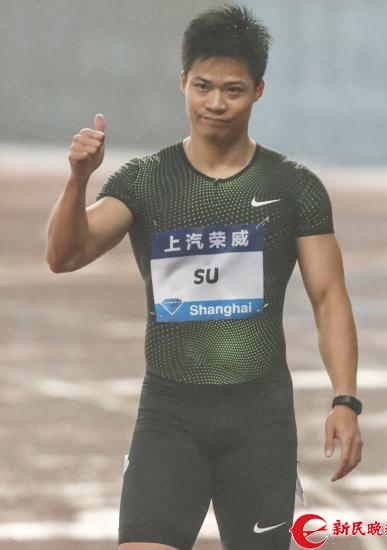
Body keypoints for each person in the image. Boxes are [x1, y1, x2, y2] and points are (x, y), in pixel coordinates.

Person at [46, 5, 363, 550]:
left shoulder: (293, 187)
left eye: (233, 90)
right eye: (203, 87)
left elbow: (328, 296)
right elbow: (64, 255)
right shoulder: (146, 181)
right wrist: (78, 180)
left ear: (259, 90)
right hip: (169, 415)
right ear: (183, 83)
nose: (215, 103)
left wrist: (346, 399)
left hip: (260, 421)